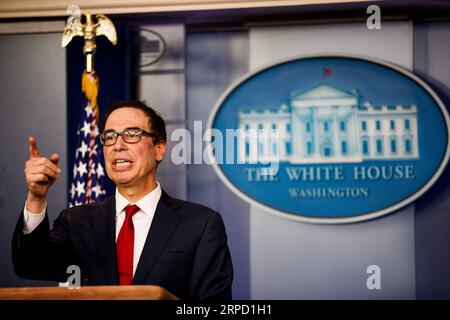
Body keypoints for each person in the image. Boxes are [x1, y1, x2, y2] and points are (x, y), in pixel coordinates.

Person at [12, 100, 233, 300]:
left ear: (159, 149)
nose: (118, 145)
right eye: (109, 137)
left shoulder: (200, 224)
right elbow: (29, 264)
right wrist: (36, 197)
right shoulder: (76, 221)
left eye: (132, 134)